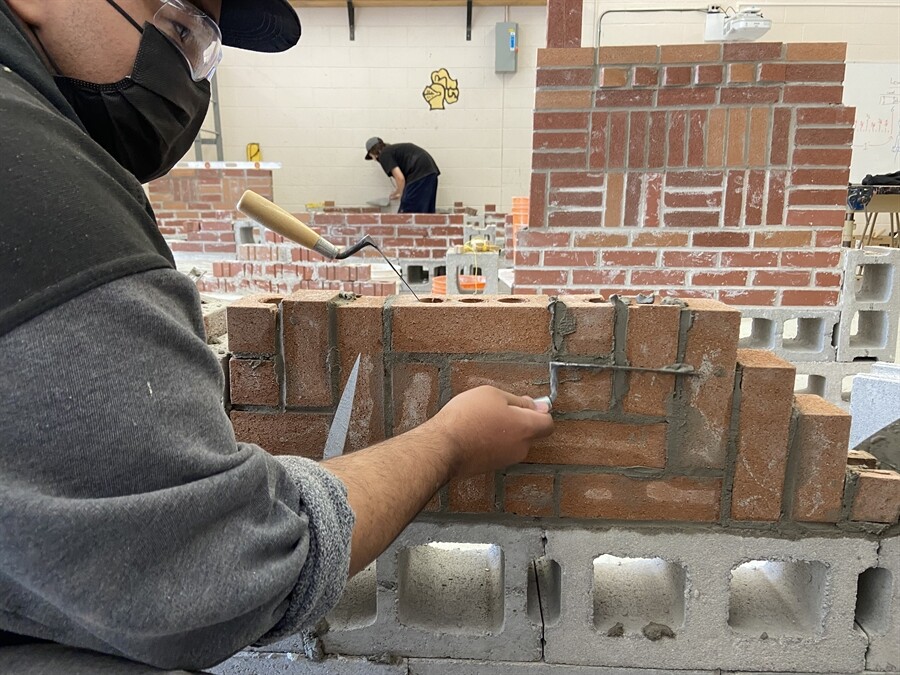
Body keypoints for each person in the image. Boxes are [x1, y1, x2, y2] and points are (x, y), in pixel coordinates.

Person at [0, 1, 554, 672]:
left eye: (202, 44)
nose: (184, 70)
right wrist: (450, 441)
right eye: (175, 21)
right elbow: (218, 569)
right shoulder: (39, 180)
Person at [364, 137, 440, 213]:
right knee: (426, 212)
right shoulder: (393, 151)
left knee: (406, 212)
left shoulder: (384, 154)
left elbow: (400, 178)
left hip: (418, 173)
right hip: (430, 172)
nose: (374, 159)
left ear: (373, 153)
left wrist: (399, 192)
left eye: (372, 157)